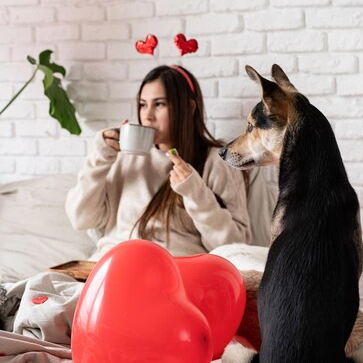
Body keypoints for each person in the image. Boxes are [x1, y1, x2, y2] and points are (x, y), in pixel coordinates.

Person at [65, 65, 251, 260]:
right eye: (143, 104)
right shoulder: (123, 158)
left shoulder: (216, 162)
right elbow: (81, 218)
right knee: (40, 285)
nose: (147, 115)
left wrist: (195, 192)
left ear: (189, 108)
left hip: (172, 269)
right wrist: (100, 158)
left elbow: (234, 248)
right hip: (112, 263)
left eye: (159, 104)